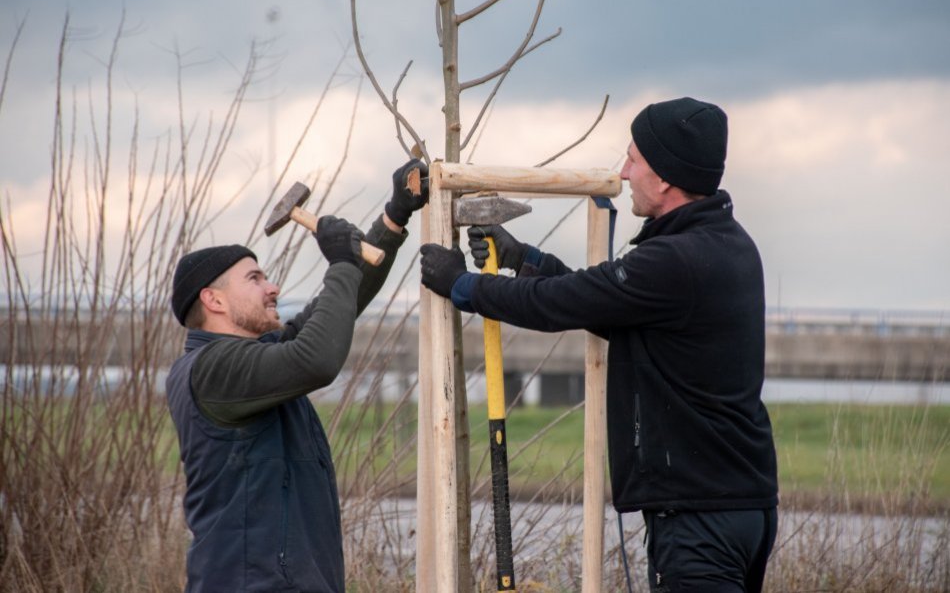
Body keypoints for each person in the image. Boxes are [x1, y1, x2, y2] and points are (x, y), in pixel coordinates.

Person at [420, 98, 779, 592]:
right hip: (741, 504)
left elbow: (564, 304)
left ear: (666, 177)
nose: (624, 172)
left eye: (634, 159)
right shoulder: (728, 245)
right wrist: (527, 259)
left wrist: (463, 286)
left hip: (699, 517)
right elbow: (612, 306)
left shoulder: (674, 259)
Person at [166, 159, 428, 593]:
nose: (273, 288)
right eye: (254, 279)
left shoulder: (255, 357)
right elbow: (318, 359)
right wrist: (340, 262)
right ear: (213, 300)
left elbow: (337, 307)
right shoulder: (210, 371)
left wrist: (393, 218)